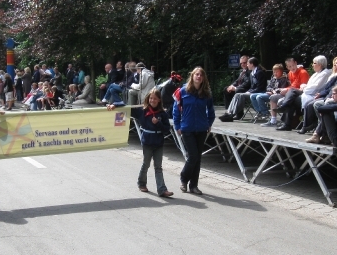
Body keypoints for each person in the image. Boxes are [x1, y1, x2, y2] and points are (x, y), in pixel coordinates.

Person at [109, 89, 173, 197]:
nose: (153, 100)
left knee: (158, 167)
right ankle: (141, 183)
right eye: (151, 98)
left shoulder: (162, 113)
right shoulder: (142, 111)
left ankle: (162, 190)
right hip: (147, 141)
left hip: (158, 142)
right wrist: (115, 105)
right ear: (148, 99)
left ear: (159, 100)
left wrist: (158, 123)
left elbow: (166, 129)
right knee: (146, 164)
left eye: (155, 98)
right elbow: (127, 107)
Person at [173, 67, 215, 195]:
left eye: (201, 75)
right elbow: (175, 110)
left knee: (198, 158)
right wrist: (177, 126)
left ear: (204, 78)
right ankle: (184, 179)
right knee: (193, 156)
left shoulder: (206, 93)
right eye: (197, 74)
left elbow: (211, 112)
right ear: (192, 76)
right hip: (187, 128)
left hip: (201, 129)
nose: (199, 77)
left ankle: (194, 185)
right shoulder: (183, 91)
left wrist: (208, 123)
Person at [261, 56, 310, 130]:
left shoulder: (303, 72)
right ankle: (273, 120)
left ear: (296, 63)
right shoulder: (290, 73)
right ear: (287, 67)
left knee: (289, 95)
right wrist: (284, 89)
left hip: (301, 93)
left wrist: (287, 90)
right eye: (290, 66)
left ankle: (284, 106)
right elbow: (291, 86)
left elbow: (303, 87)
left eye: (293, 65)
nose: (292, 68)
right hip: (291, 93)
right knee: (273, 97)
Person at [219, 57, 267, 121]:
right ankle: (228, 112)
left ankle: (231, 115)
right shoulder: (253, 72)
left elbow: (259, 87)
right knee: (236, 94)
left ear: (252, 64)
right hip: (252, 91)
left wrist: (249, 91)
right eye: (241, 63)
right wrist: (231, 86)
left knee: (239, 93)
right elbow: (240, 81)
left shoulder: (258, 72)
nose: (246, 65)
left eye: (246, 63)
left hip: (257, 92)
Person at [295, 55, 332, 134]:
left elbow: (315, 88)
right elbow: (308, 85)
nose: (312, 65)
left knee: (295, 98)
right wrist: (304, 87)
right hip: (307, 93)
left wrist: (304, 88)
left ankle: (306, 125)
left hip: (315, 95)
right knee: (292, 96)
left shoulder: (325, 74)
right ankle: (290, 122)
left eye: (314, 63)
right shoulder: (315, 74)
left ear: (320, 64)